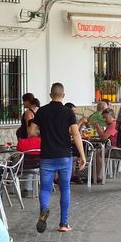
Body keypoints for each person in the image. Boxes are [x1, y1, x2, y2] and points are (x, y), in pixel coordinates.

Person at [34, 82, 86, 233]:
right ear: (63, 96)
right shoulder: (68, 112)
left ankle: (44, 209)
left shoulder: (42, 111)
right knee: (65, 189)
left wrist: (43, 132)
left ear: (50, 95)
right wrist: (82, 155)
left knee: (45, 188)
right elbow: (76, 134)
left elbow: (32, 131)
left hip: (46, 156)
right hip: (64, 156)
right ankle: (63, 223)